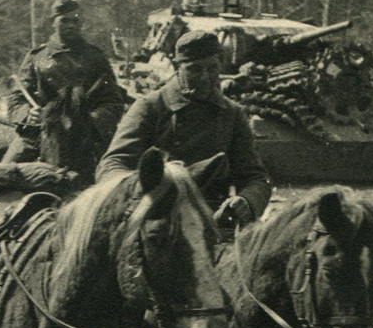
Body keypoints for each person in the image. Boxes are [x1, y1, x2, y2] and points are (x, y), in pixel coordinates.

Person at [96, 30, 271, 225]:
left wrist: (246, 201)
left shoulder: (232, 114)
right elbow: (113, 164)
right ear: (178, 68)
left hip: (211, 218)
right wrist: (139, 194)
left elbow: (255, 178)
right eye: (195, 69)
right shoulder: (151, 107)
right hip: (155, 217)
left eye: (212, 68)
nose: (205, 78)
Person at [3, 0, 125, 182]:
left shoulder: (95, 58)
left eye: (75, 20)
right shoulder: (37, 58)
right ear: (53, 22)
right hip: (38, 135)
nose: (70, 25)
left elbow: (112, 100)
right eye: (64, 20)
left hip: (88, 138)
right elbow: (16, 98)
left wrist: (91, 120)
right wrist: (28, 114)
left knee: (116, 184)